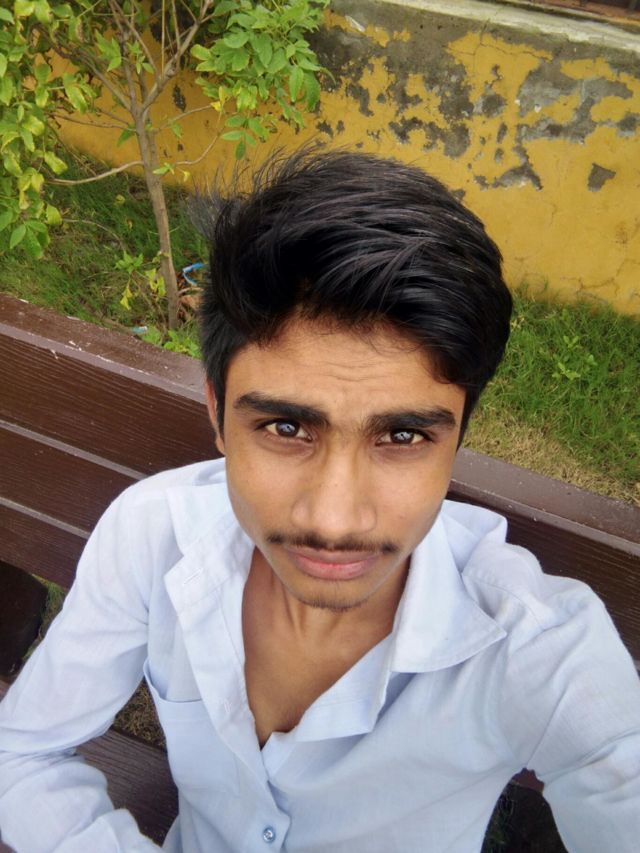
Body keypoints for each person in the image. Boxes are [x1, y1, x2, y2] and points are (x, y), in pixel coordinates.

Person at [0, 149, 639, 853]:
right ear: (216, 412)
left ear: (458, 435)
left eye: (402, 436)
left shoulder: (535, 647)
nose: (334, 519)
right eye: (285, 428)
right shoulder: (154, 534)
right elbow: (22, 752)